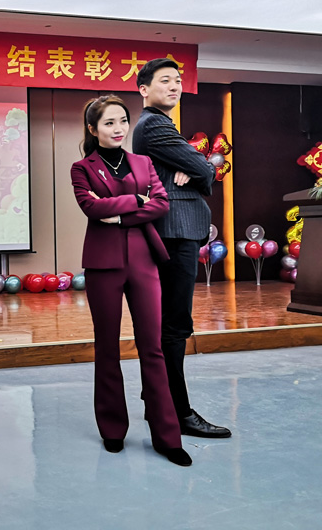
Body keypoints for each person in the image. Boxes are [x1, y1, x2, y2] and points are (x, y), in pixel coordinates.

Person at [71, 94, 191, 466]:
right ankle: (112, 429)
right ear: (93, 129)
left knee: (152, 347)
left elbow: (162, 203)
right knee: (107, 347)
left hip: (144, 261)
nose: (118, 128)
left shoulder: (143, 162)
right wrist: (137, 200)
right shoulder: (82, 168)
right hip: (102, 264)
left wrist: (121, 214)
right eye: (109, 123)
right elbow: (91, 207)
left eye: (123, 120)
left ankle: (167, 435)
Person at [132, 58, 231, 438]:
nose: (174, 86)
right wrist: (197, 167)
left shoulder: (159, 125)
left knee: (169, 323)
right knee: (174, 325)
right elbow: (208, 170)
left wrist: (194, 166)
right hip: (174, 231)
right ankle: (177, 412)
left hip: (175, 230)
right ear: (144, 89)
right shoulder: (155, 125)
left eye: (177, 80)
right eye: (165, 81)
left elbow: (201, 168)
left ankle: (156, 401)